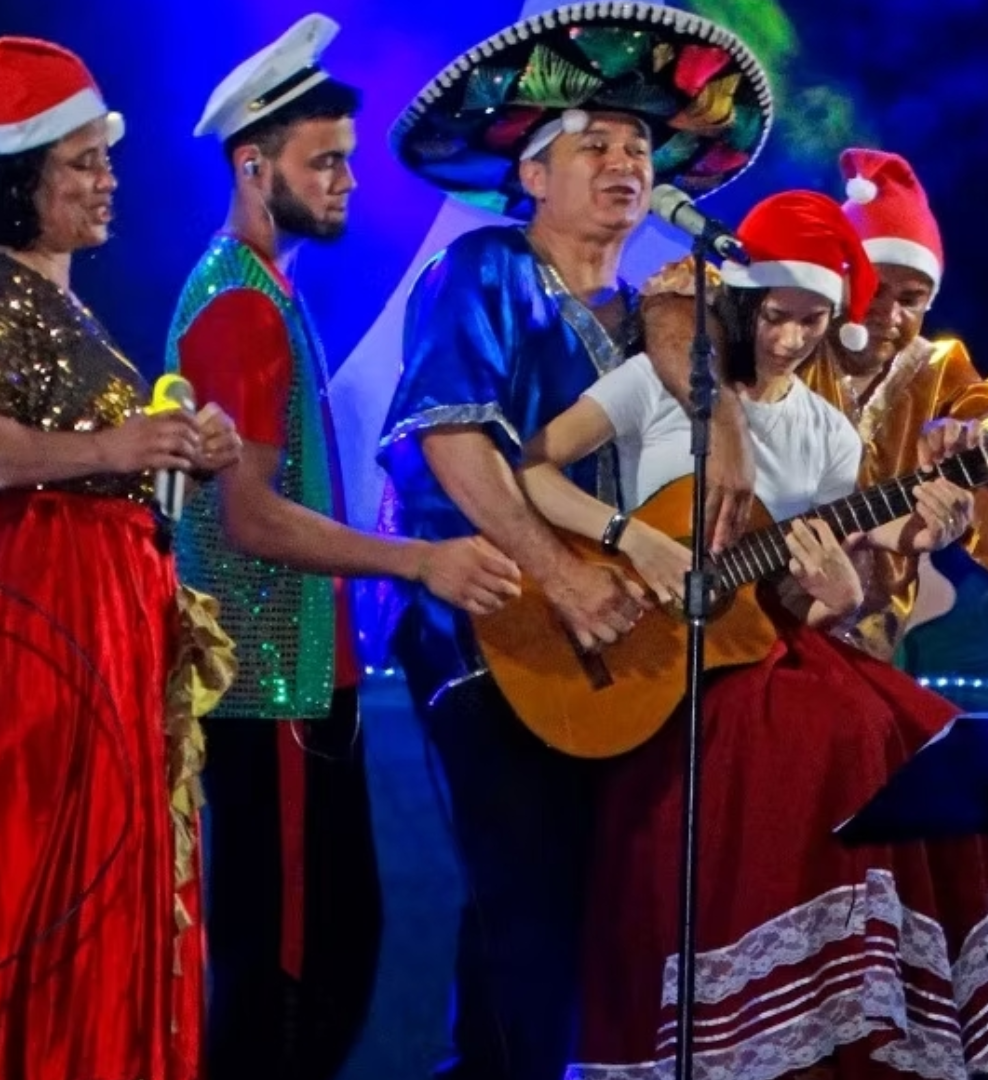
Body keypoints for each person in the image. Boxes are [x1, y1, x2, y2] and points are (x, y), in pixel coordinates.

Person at [511, 191, 988, 1079]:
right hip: (652, 655)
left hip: (756, 644)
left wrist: (910, 537)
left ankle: (842, 1018)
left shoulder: (826, 431)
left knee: (927, 736)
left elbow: (840, 566)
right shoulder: (662, 386)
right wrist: (627, 537)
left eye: (814, 321)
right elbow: (531, 469)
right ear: (743, 304)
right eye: (776, 316)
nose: (791, 340)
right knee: (837, 732)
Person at [378, 7, 773, 1078]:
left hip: (620, 652)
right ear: (532, 176)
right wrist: (559, 574)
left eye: (638, 146)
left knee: (593, 917)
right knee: (529, 910)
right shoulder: (486, 270)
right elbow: (449, 442)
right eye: (593, 143)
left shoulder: (657, 313)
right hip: (490, 625)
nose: (625, 162)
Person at [165, 15, 521, 1080]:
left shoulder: (267, 289)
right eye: (324, 162)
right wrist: (419, 562)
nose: (348, 182)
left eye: (347, 160)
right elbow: (250, 517)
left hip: (303, 685)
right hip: (266, 690)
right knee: (288, 975)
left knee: (329, 956)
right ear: (253, 165)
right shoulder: (238, 305)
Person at [0, 37, 241, 1080]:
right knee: (40, 861)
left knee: (98, 856)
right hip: (41, 609)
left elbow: (95, 456)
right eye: (81, 163)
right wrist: (113, 449)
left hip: (100, 606)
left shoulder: (58, 302)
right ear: (19, 180)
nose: (108, 180)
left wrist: (181, 451)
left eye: (106, 160)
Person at [643, 147, 988, 660]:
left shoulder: (940, 371)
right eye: (873, 290)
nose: (888, 315)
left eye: (911, 299)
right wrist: (725, 421)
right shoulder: (784, 328)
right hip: (719, 614)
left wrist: (975, 438)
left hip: (861, 638)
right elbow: (674, 305)